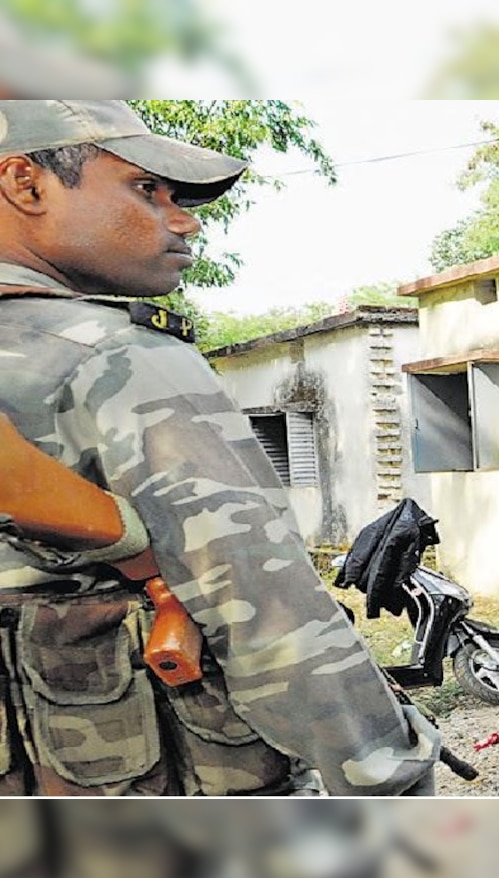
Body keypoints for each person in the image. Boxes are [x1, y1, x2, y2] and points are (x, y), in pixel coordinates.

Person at [0, 101, 440, 795]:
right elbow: (268, 611)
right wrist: (388, 778)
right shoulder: (116, 359)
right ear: (26, 185)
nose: (182, 219)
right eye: (147, 189)